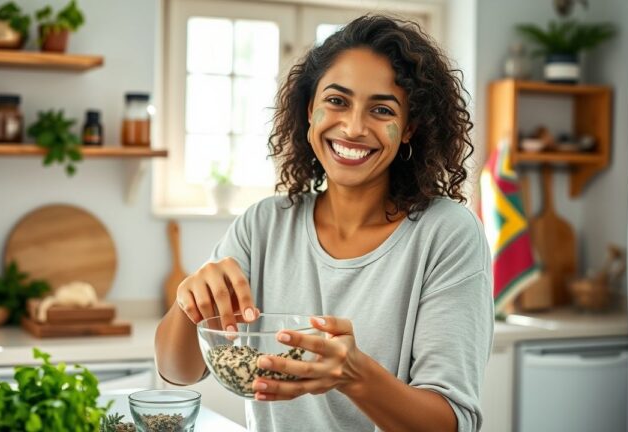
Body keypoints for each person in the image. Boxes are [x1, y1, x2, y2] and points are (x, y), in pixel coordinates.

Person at [155, 14, 494, 432]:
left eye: (382, 109)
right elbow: (177, 371)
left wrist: (355, 375)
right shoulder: (264, 225)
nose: (353, 127)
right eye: (337, 101)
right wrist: (189, 303)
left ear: (409, 128)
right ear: (309, 110)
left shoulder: (447, 234)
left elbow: (450, 422)